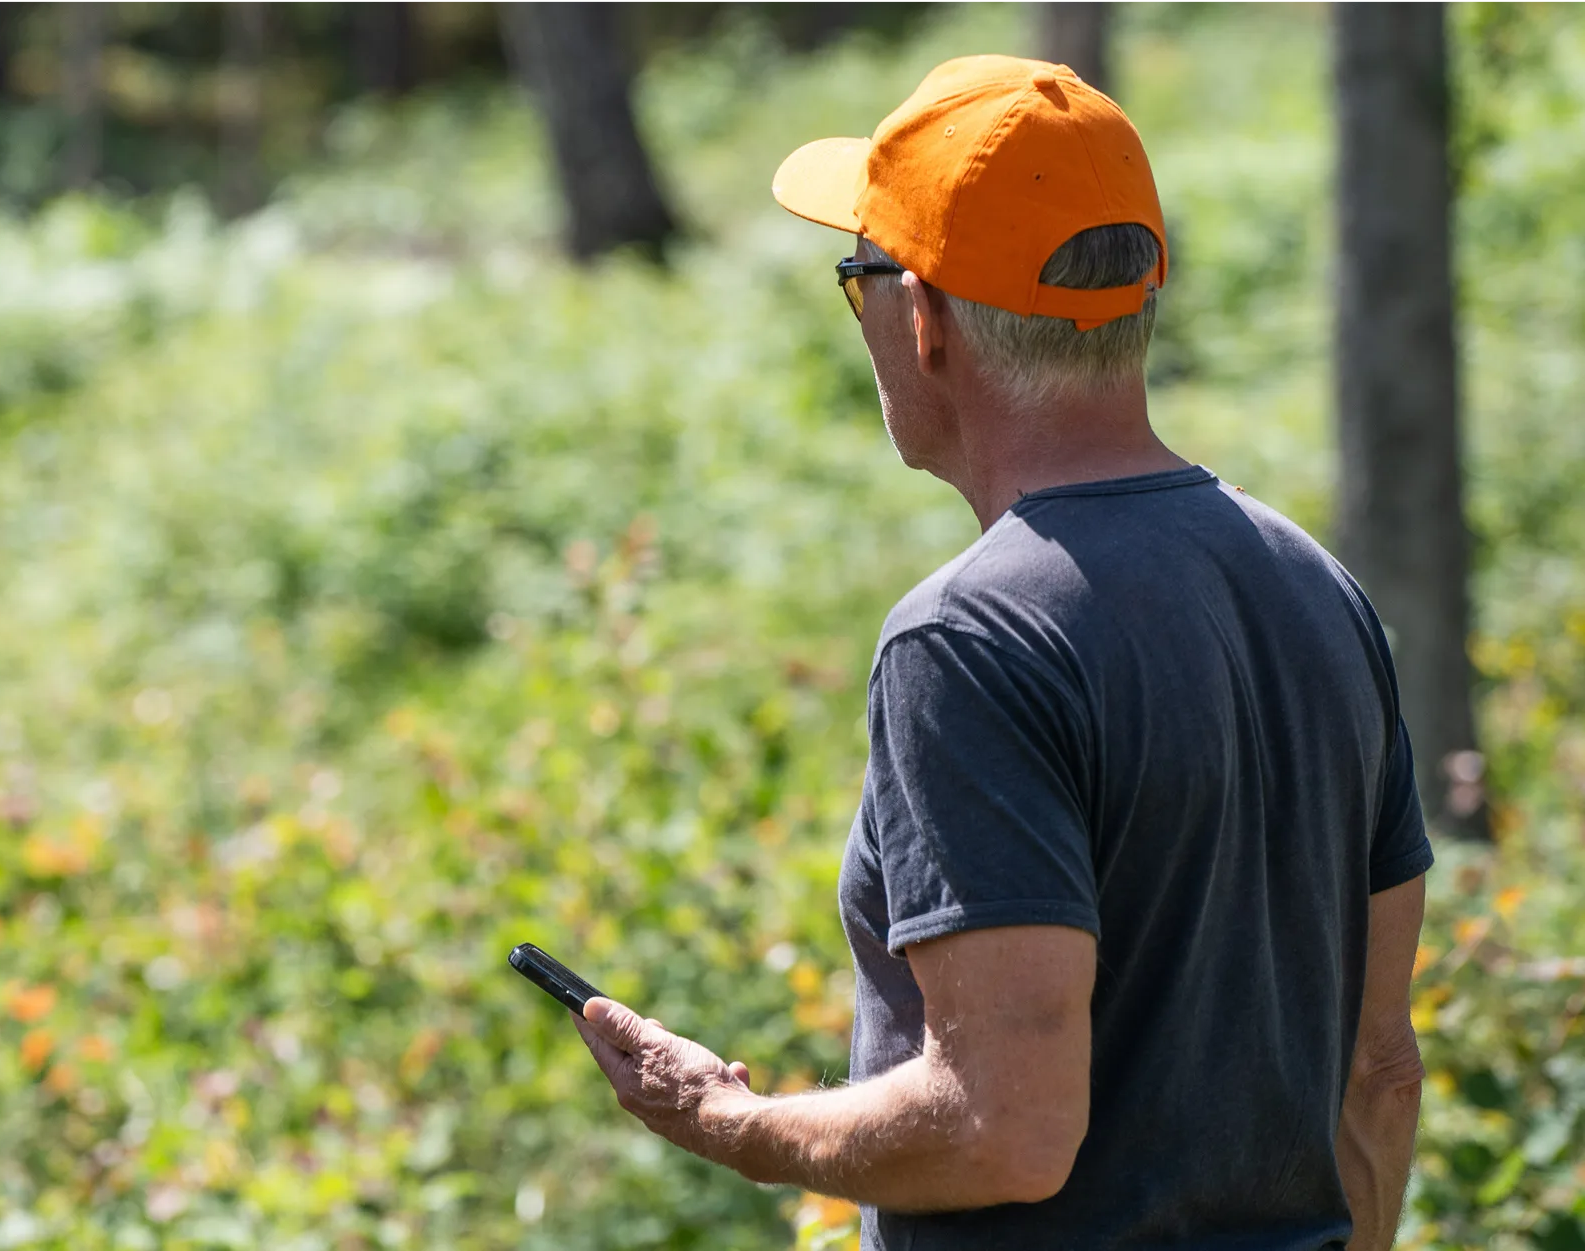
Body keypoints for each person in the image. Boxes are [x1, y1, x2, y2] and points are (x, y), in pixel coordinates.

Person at [566, 55, 1433, 1250]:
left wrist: (727, 1121)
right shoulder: (1314, 588)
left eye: (856, 276)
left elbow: (1001, 1131)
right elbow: (1378, 1074)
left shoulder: (967, 642)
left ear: (922, 319)